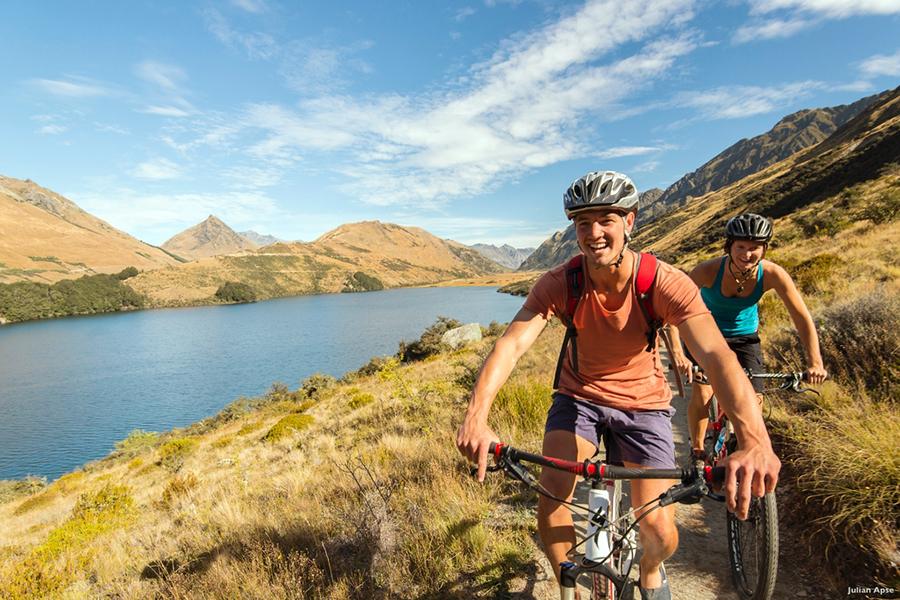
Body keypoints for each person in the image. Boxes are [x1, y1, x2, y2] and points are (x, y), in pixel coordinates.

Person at [456, 171, 781, 600]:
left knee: (657, 527)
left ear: (629, 222)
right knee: (553, 496)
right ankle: (569, 586)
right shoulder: (560, 283)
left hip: (644, 404)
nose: (594, 233)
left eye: (606, 219)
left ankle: (649, 569)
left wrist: (754, 438)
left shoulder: (662, 281)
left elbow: (718, 356)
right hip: (578, 398)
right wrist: (476, 418)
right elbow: (511, 345)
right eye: (583, 222)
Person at [667, 213, 827, 463]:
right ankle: (697, 452)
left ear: (764, 249)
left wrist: (815, 362)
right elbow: (673, 311)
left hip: (745, 338)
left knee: (755, 401)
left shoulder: (773, 274)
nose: (747, 254)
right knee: (704, 393)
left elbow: (801, 318)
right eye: (740, 246)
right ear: (729, 246)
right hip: (706, 337)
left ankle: (744, 449)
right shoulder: (707, 271)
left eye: (755, 248)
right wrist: (678, 352)